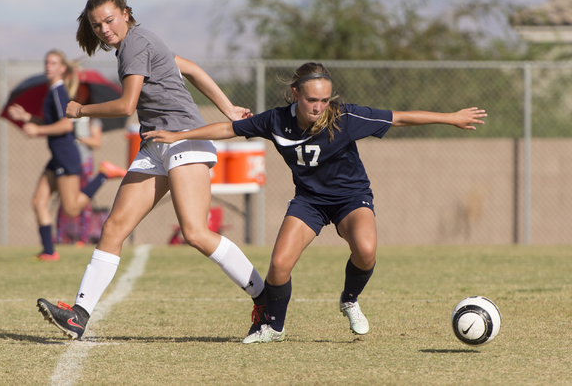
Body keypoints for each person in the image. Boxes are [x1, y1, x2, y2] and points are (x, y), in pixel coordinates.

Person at [143, 62, 488, 343]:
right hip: (309, 202)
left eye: (325, 100)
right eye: (312, 101)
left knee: (366, 250)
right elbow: (229, 129)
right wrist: (180, 135)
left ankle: (349, 300)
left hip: (351, 198)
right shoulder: (277, 120)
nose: (320, 107)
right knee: (279, 265)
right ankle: (273, 328)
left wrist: (451, 117)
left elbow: (399, 117)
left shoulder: (345, 117)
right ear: (296, 95)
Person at [36, 0, 266, 340]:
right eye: (97, 26)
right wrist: (228, 107)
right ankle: (79, 315)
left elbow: (126, 106)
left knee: (194, 233)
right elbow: (190, 68)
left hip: (184, 141)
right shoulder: (140, 42)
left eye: (110, 20)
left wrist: (81, 109)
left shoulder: (135, 44)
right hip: (156, 145)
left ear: (125, 14)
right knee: (113, 228)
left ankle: (265, 296)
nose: (104, 30)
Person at [7, 50, 127, 261]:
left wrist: (37, 131)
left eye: (53, 63)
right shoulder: (52, 91)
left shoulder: (59, 91)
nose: (48, 66)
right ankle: (49, 252)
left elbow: (64, 125)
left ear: (63, 68)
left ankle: (103, 174)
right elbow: (51, 121)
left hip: (66, 156)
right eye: (46, 62)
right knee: (38, 201)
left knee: (72, 208)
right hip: (57, 156)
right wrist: (28, 117)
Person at [54, 116, 104, 246]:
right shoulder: (66, 116)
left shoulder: (92, 119)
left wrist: (77, 137)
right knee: (64, 200)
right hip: (67, 160)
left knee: (84, 202)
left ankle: (84, 237)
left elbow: (97, 142)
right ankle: (61, 237)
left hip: (84, 162)